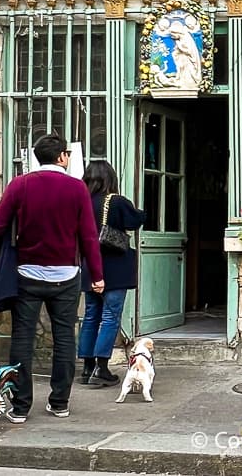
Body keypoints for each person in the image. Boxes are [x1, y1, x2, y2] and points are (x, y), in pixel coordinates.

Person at [0, 133, 104, 423]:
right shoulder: (77, 188)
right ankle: (59, 402)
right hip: (66, 275)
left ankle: (21, 406)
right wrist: (98, 276)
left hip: (27, 273)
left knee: (22, 339)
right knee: (64, 338)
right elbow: (89, 236)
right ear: (63, 157)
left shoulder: (20, 184)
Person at [78, 160, 147, 387]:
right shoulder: (115, 201)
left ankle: (87, 367)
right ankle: (102, 367)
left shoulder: (82, 201)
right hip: (114, 266)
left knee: (90, 316)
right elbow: (135, 220)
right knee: (110, 317)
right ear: (110, 178)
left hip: (90, 265)